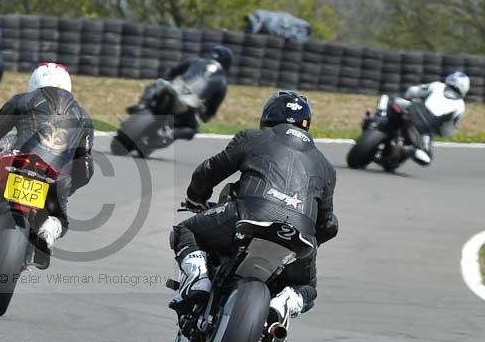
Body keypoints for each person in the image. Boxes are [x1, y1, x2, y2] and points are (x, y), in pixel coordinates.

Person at [169, 90, 338, 327]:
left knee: (185, 231)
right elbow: (328, 225)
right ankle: (287, 301)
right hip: (299, 235)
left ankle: (199, 278)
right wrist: (311, 239)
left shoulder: (252, 137)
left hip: (248, 215)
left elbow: (209, 171)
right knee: (307, 288)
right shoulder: (327, 167)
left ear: (267, 117)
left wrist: (195, 198)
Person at [0, 62, 94, 263]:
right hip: (53, 178)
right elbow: (85, 167)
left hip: (15, 164)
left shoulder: (23, 100)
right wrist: (68, 186)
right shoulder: (84, 117)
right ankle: (47, 235)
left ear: (35, 81)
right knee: (60, 218)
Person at [131, 45, 233, 141]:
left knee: (155, 84)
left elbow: (173, 71)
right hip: (189, 103)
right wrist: (206, 116)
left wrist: (167, 79)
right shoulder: (222, 82)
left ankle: (142, 105)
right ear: (227, 63)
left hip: (174, 89)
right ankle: (169, 134)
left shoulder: (195, 61)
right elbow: (213, 107)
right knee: (193, 128)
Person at [374, 71, 468, 166]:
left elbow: (412, 91)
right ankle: (408, 150)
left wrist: (408, 98)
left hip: (412, 110)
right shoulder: (460, 106)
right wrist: (439, 132)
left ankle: (378, 117)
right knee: (426, 158)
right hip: (425, 130)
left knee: (388, 99)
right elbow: (447, 130)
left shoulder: (437, 85)